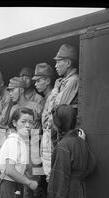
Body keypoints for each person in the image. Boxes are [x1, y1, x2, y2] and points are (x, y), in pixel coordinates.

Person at [41, 44, 79, 182]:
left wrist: (55, 90)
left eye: (58, 61)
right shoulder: (64, 81)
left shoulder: (72, 80)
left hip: (58, 132)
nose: (55, 65)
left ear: (68, 63)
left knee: (55, 174)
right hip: (53, 131)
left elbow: (57, 107)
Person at [7, 77, 43, 198]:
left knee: (35, 175)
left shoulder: (36, 106)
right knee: (21, 174)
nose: (10, 93)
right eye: (8, 91)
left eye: (12, 90)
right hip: (20, 144)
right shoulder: (14, 109)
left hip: (34, 143)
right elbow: (10, 126)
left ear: (21, 90)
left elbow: (45, 125)